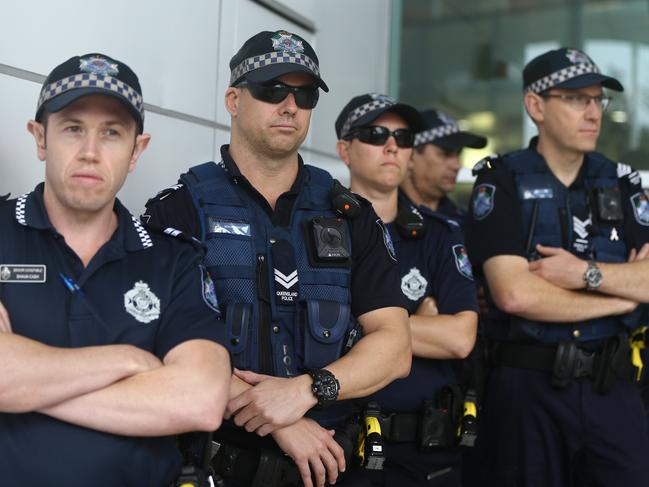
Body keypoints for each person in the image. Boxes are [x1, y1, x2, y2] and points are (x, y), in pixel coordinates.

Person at [143, 31, 412, 487]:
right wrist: (278, 420)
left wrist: (306, 391)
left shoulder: (350, 215)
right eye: (271, 89)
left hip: (332, 468)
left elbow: (394, 346)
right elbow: (155, 337)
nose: (290, 105)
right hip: (218, 466)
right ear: (233, 99)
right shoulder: (180, 209)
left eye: (304, 94)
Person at [0, 53, 231, 487]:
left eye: (112, 133)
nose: (90, 152)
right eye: (73, 128)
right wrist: (125, 360)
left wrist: (23, 388)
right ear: (40, 138)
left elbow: (199, 400)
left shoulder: (174, 260)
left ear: (136, 150)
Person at [465, 47, 649, 486]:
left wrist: (587, 274)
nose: (593, 112)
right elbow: (515, 294)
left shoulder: (622, 182)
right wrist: (621, 298)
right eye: (575, 99)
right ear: (536, 106)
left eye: (597, 100)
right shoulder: (502, 180)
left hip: (612, 384)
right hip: (528, 386)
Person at [335, 93, 478, 486]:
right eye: (376, 134)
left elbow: (460, 339)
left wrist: (358, 321)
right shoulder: (317, 231)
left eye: (404, 137)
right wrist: (415, 323)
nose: (392, 146)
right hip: (340, 447)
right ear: (345, 150)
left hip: (426, 450)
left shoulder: (440, 234)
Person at [401, 109, 487, 225]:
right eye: (445, 153)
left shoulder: (463, 224)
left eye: (458, 154)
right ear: (411, 155)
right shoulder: (382, 217)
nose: (457, 165)